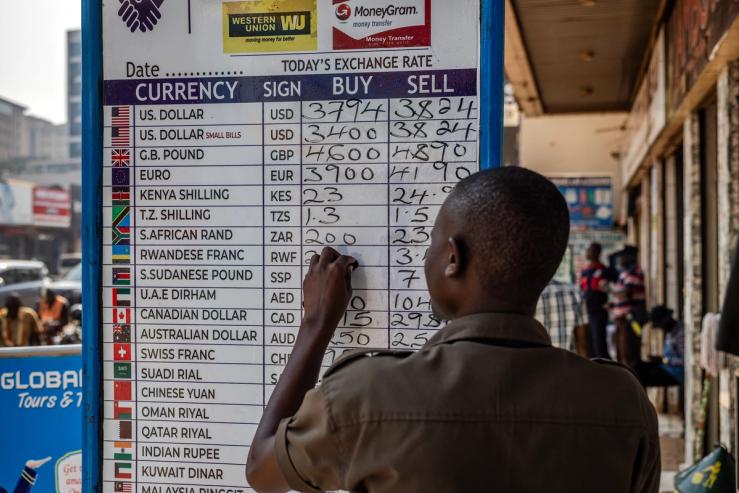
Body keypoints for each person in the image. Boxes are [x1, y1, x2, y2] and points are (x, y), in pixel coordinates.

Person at [246, 168, 659, 493]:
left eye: (430, 245)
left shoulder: (364, 396)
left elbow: (263, 470)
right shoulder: (623, 405)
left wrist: (316, 324)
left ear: (452, 258)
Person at [611, 247, 647, 368]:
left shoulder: (634, 273)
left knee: (629, 353)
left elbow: (626, 293)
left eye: (622, 257)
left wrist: (608, 290)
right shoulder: (624, 274)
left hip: (630, 320)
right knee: (621, 354)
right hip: (622, 320)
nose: (619, 260)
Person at [535, 279, 590, 356]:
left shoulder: (524, 297)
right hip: (568, 364)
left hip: (537, 364)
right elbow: (582, 343)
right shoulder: (574, 292)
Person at [580, 242, 615, 358]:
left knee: (599, 343)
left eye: (594, 250)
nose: (591, 252)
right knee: (588, 344)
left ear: (599, 253)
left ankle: (606, 369)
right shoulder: (585, 271)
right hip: (586, 311)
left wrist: (611, 302)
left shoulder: (604, 270)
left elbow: (617, 286)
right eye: (590, 250)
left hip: (598, 311)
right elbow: (581, 289)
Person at [635, 305, 684, 387]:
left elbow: (684, 361)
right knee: (637, 367)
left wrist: (664, 360)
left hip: (675, 373)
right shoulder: (670, 333)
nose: (660, 328)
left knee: (641, 377)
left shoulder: (680, 334)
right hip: (665, 367)